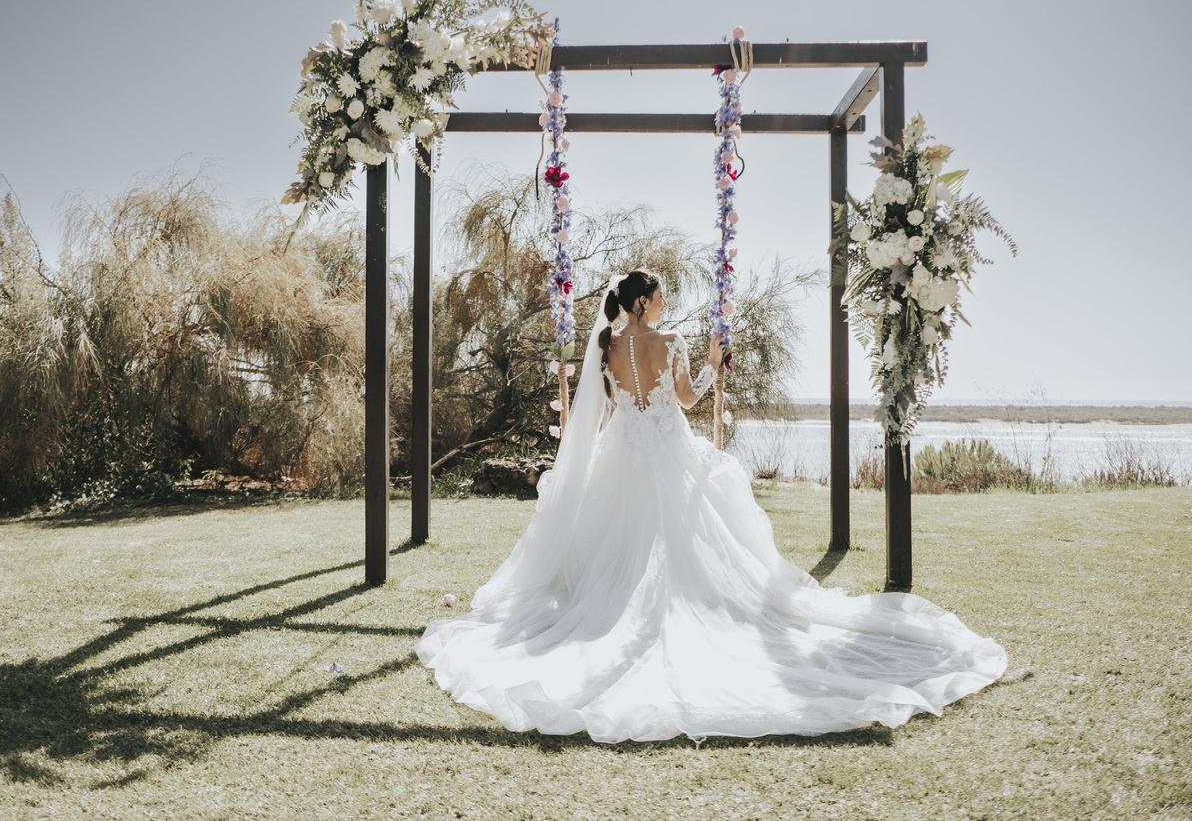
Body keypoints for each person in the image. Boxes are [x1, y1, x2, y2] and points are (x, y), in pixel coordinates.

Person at [415, 269, 1008, 743]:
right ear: (645, 301)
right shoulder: (669, 342)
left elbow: (606, 412)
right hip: (669, 458)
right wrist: (712, 358)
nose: (667, 304)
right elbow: (689, 399)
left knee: (615, 552)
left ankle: (610, 609)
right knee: (693, 549)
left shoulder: (604, 346)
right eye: (662, 295)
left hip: (621, 459)